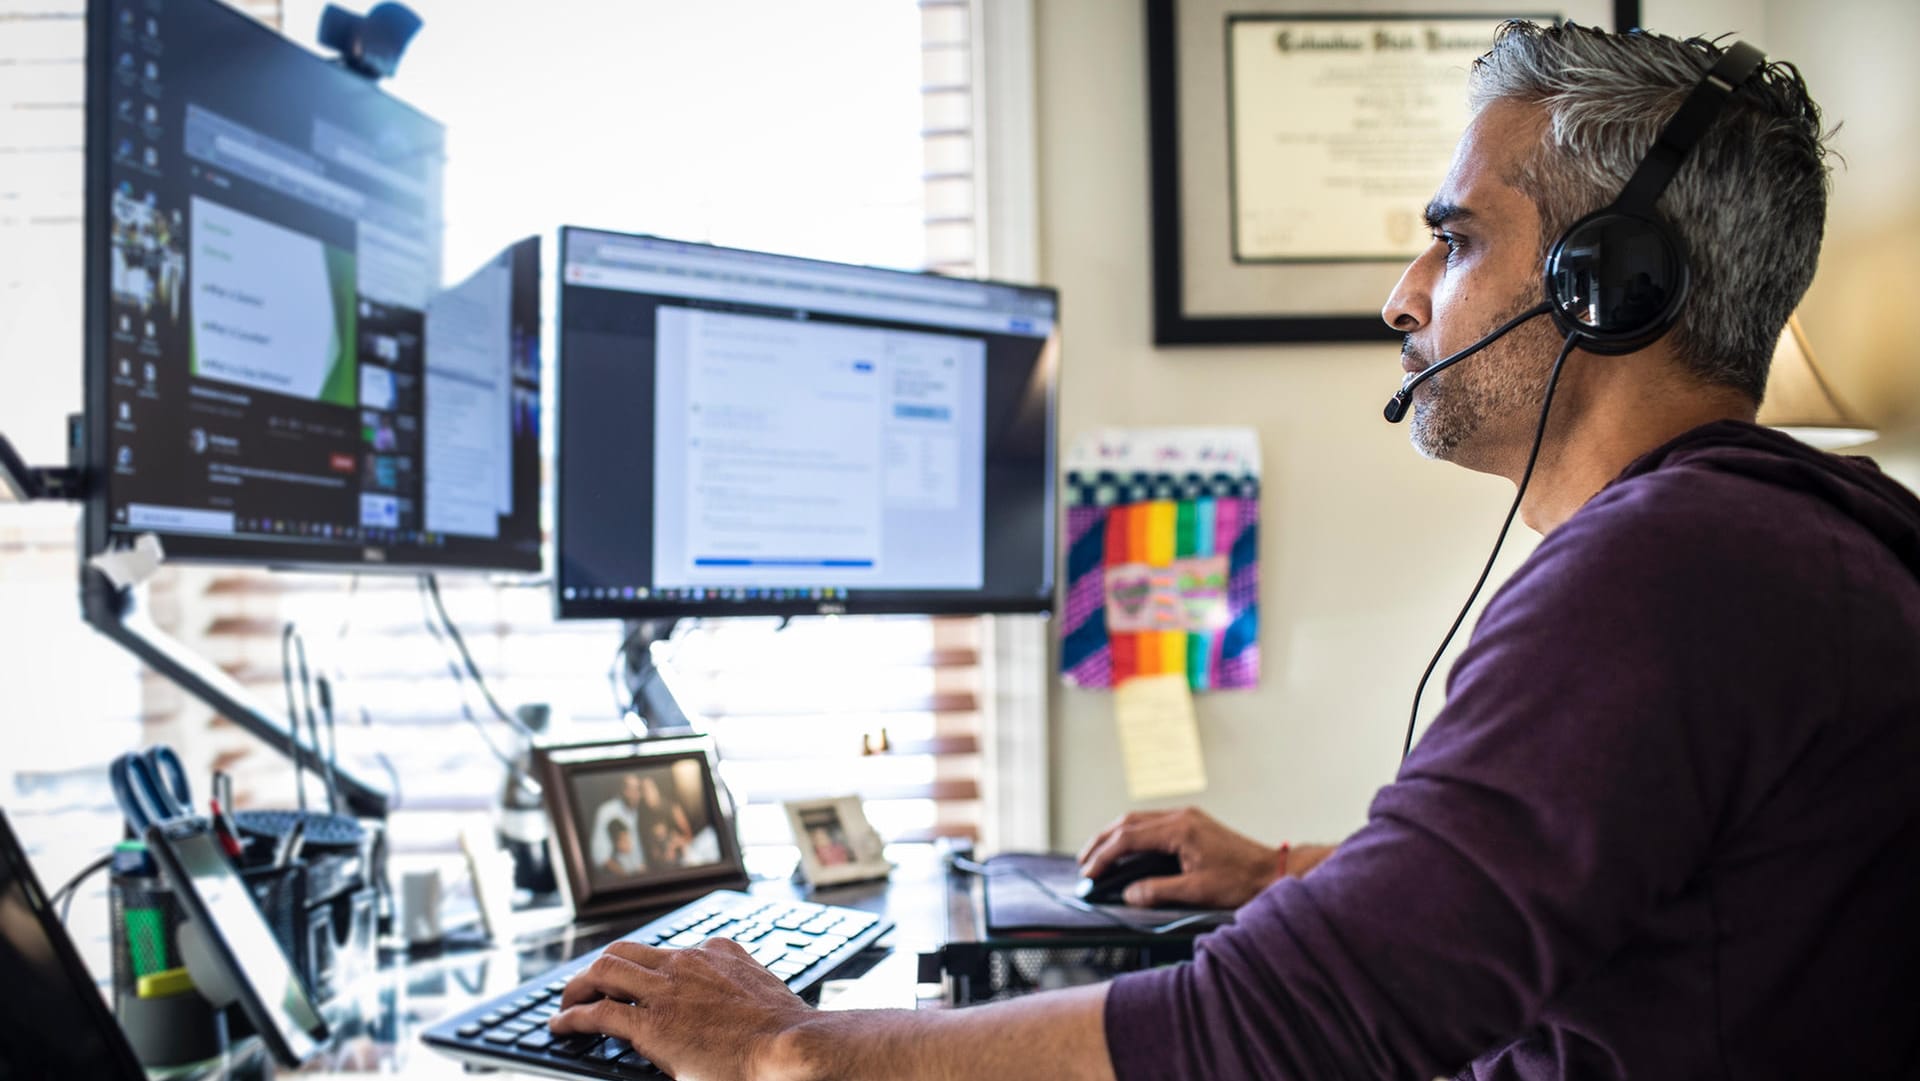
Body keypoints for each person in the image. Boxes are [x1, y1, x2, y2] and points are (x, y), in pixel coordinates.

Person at [547, 22, 1920, 1079]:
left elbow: (1285, 1022)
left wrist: (793, 1049)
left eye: (1453, 241)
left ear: (1605, 286)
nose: (1401, 298)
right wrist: (1281, 872)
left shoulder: (1672, 574)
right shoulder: (1775, 546)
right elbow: (1584, 889)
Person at [587, 773, 648, 874]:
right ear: (622, 790)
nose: (634, 794)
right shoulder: (607, 811)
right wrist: (627, 879)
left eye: (637, 789)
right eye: (629, 789)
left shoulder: (641, 811)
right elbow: (600, 857)